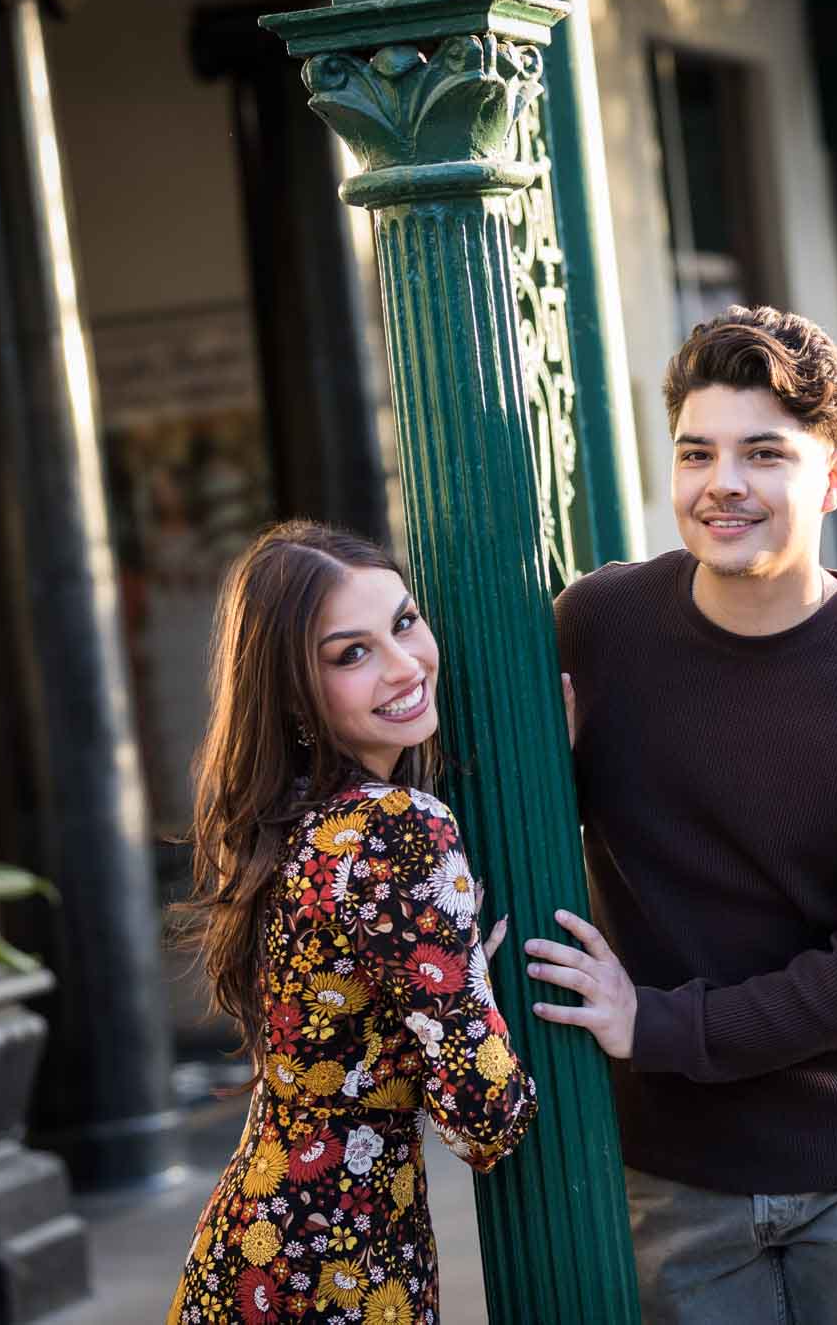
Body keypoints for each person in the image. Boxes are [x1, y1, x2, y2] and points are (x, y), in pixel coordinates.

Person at [534, 306, 837, 1323]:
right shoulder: (595, 632)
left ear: (829, 478)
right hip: (672, 1168)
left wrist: (656, 1021)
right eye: (697, 452)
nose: (721, 482)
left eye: (762, 453)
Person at [170, 520, 535, 1325]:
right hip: (337, 1268)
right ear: (294, 692)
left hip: (256, 1250)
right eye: (352, 653)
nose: (406, 665)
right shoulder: (398, 830)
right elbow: (487, 1119)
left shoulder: (294, 825)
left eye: (404, 622)